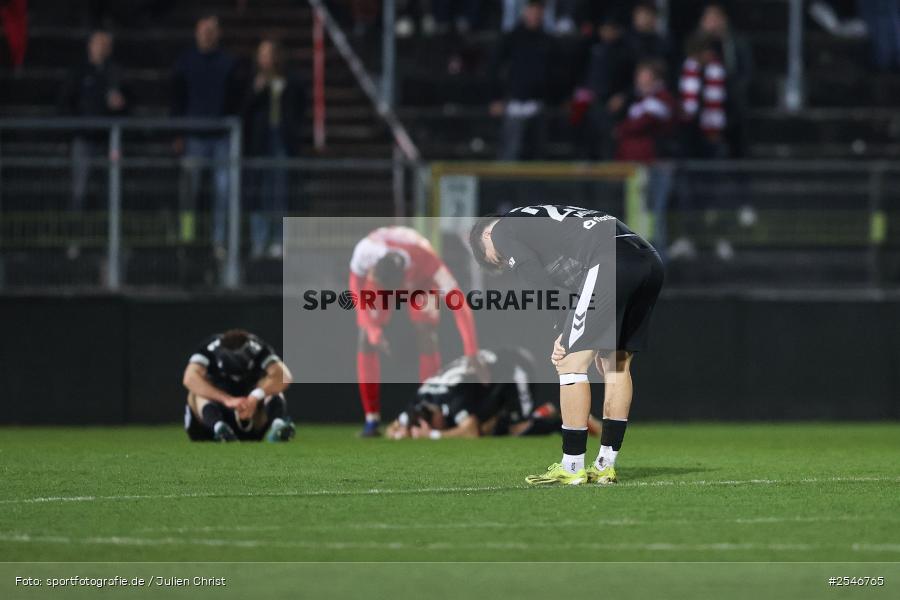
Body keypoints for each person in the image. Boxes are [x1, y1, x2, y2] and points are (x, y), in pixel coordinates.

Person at [469, 205, 664, 485]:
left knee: (570, 363)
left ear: (484, 237)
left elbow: (534, 276)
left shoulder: (498, 230)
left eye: (497, 259)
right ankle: (605, 465)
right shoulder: (536, 221)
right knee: (616, 365)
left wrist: (562, 331)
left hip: (610, 260)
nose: (502, 260)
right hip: (649, 260)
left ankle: (572, 466)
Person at [350, 226, 481, 437]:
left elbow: (460, 305)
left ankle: (427, 408)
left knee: (426, 334)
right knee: (365, 337)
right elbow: (355, 289)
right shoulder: (366, 251)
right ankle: (371, 420)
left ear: (401, 284)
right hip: (384, 276)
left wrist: (472, 352)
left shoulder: (428, 262)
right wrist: (372, 328)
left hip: (421, 283)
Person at [387, 347, 602, 439]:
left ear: (436, 414)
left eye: (436, 424)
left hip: (514, 366)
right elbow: (393, 427)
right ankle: (552, 412)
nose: (440, 425)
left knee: (518, 427)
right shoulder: (421, 400)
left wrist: (432, 435)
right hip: (488, 381)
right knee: (493, 427)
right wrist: (400, 433)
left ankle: (563, 418)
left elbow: (471, 432)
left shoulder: (449, 398)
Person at [172, 15, 240, 256]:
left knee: (223, 191)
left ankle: (218, 240)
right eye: (203, 31)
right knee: (190, 190)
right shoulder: (186, 62)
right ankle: (187, 236)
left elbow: (235, 98)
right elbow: (177, 98)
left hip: (221, 136)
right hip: (194, 136)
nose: (207, 35)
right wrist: (178, 133)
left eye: (212, 31)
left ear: (218, 34)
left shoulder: (228, 62)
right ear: (196, 33)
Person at [59, 29, 130, 259]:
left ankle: (110, 241)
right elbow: (65, 103)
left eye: (105, 44)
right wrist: (76, 128)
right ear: (90, 45)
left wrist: (121, 106)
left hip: (109, 140)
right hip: (84, 140)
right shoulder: (79, 72)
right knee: (78, 193)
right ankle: (74, 240)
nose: (101, 48)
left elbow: (129, 104)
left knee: (110, 193)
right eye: (98, 43)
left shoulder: (115, 72)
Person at [242, 38, 305, 260]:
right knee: (259, 193)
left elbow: (298, 108)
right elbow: (245, 110)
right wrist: (258, 89)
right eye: (262, 54)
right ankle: (259, 241)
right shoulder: (253, 80)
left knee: (279, 193)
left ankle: (279, 240)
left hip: (281, 140)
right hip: (260, 142)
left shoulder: (290, 80)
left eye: (269, 54)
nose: (265, 59)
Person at [182, 329, 295, 442]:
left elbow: (284, 376)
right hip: (208, 426)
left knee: (271, 385)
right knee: (197, 391)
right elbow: (190, 378)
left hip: (250, 416)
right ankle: (219, 428)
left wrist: (255, 397)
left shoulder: (258, 348)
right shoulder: (209, 348)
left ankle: (278, 426)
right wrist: (227, 399)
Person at [490, 0, 556, 161]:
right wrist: (496, 98)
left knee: (538, 154)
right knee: (510, 152)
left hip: (539, 105)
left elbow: (556, 74)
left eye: (539, 10)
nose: (535, 14)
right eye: (532, 9)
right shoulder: (511, 38)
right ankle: (505, 185)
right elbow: (493, 69)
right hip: (514, 104)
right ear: (525, 11)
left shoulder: (548, 41)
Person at [571, 14, 634, 160]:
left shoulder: (626, 53)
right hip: (590, 104)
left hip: (613, 105)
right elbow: (580, 75)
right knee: (585, 143)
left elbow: (632, 82)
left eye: (611, 29)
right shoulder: (592, 49)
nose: (608, 33)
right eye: (605, 29)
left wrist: (623, 96)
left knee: (608, 144)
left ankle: (608, 181)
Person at [696, 3, 752, 156]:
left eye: (717, 18)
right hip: (702, 101)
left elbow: (745, 72)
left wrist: (733, 92)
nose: (713, 23)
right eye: (709, 18)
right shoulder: (694, 45)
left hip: (730, 101)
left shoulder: (736, 43)